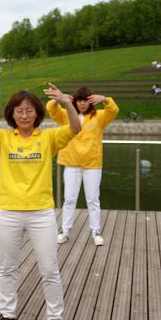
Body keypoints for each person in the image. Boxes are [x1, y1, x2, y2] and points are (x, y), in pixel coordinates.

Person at [0, 84, 81, 320]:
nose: (25, 115)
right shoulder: (4, 138)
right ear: (12, 114)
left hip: (41, 213)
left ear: (37, 114)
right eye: (19, 111)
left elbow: (75, 128)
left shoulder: (48, 138)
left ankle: (55, 318)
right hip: (8, 212)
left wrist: (67, 102)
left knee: (49, 268)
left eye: (29, 110)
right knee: (8, 267)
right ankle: (7, 314)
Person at [46, 86, 119, 246]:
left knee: (93, 199)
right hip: (71, 163)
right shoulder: (67, 115)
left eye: (85, 100)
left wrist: (106, 99)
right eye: (79, 100)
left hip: (92, 164)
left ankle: (96, 231)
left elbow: (113, 110)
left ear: (91, 101)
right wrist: (59, 99)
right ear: (75, 101)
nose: (82, 104)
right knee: (69, 199)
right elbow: (52, 109)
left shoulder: (99, 117)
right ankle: (65, 231)